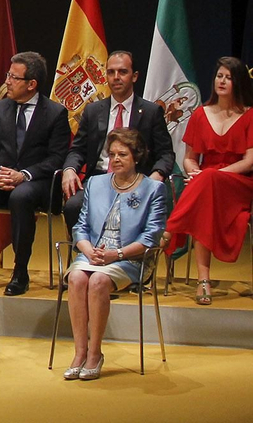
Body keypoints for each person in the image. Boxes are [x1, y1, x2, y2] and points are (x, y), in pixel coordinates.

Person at [62, 128, 169, 380]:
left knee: (98, 281)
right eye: (112, 154)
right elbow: (81, 226)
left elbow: (150, 237)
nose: (116, 159)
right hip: (93, 253)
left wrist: (116, 254)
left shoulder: (153, 189)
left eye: (123, 154)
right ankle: (79, 352)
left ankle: (95, 354)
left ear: (136, 157)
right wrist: (87, 250)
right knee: (77, 278)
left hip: (130, 258)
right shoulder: (95, 183)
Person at [0, 50, 71, 295]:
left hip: (38, 183)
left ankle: (20, 271)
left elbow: (57, 157)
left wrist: (24, 175)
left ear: (32, 84)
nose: (7, 81)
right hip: (1, 179)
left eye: (13, 77)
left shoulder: (55, 113)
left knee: (21, 196)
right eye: (8, 75)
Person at [166, 56, 253, 305]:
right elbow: (189, 159)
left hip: (238, 182)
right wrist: (196, 171)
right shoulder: (200, 114)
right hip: (204, 183)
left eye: (228, 77)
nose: (222, 81)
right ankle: (203, 279)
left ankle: (171, 229)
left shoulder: (249, 115)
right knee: (204, 195)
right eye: (219, 76)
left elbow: (249, 162)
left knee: (205, 184)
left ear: (238, 82)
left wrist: (210, 175)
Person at [61, 50, 175, 234]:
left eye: (122, 72)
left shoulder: (151, 112)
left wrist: (156, 175)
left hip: (137, 181)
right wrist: (69, 169)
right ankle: (86, 257)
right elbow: (77, 150)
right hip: (98, 180)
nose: (116, 77)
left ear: (134, 76)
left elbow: (166, 154)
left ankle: (125, 258)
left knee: (131, 212)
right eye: (111, 72)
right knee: (73, 206)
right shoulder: (92, 110)